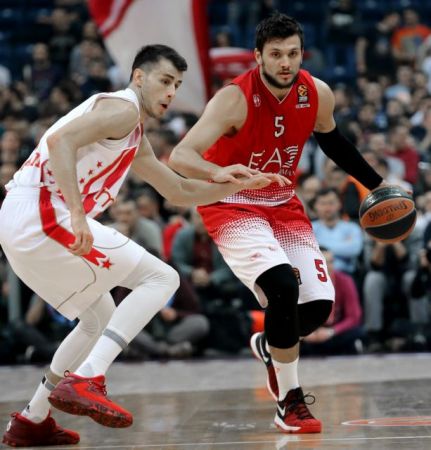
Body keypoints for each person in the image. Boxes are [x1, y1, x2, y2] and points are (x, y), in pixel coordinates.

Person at [0, 44, 285, 447]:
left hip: (23, 223)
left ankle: (32, 418)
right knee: (161, 278)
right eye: (165, 81)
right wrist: (78, 216)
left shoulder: (133, 134)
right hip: (41, 213)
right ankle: (88, 378)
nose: (171, 92)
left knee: (98, 318)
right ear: (139, 77)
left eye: (177, 85)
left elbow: (179, 190)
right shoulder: (123, 109)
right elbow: (61, 141)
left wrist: (236, 183)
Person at [169, 13, 386, 434]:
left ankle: (270, 345)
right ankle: (290, 403)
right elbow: (181, 155)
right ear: (258, 57)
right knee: (283, 287)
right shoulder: (234, 98)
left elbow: (333, 142)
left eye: (292, 53)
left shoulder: (316, 92)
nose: (285, 62)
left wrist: (378, 185)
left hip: (282, 202)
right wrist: (220, 173)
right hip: (231, 202)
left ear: (302, 53)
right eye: (275, 55)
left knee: (318, 307)